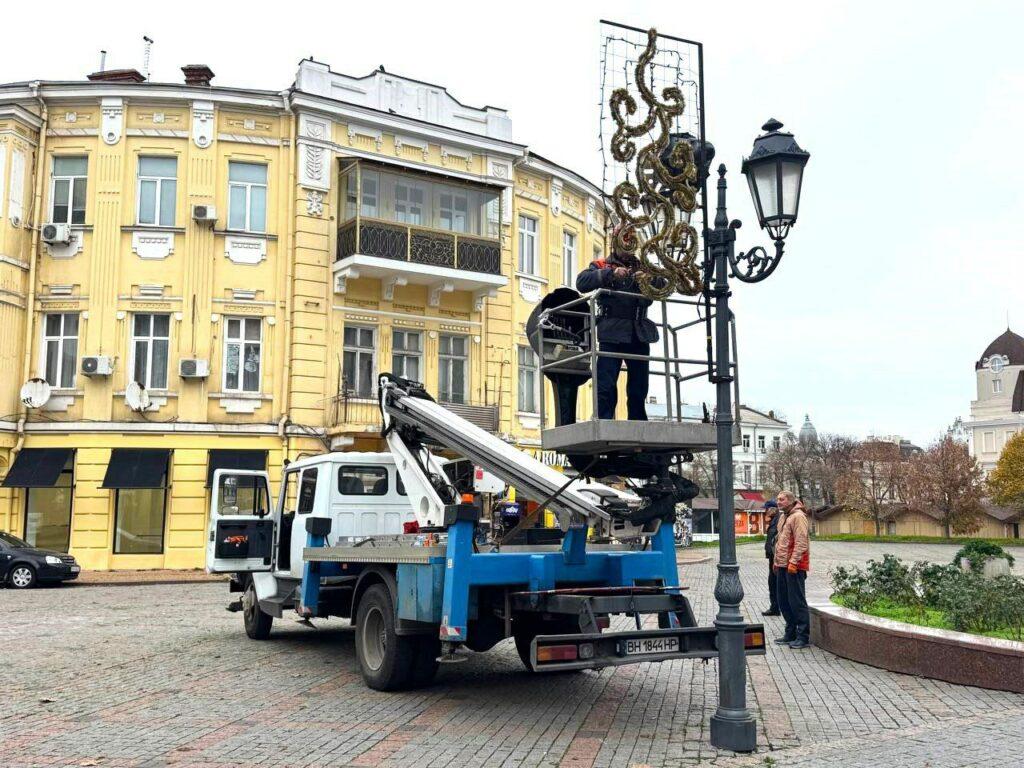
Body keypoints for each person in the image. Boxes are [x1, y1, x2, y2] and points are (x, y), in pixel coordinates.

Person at [575, 251, 658, 420]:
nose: (627, 244)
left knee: (639, 385)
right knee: (605, 382)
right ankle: (604, 418)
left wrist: (648, 278)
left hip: (638, 332)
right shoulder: (602, 264)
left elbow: (663, 284)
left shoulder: (644, 266)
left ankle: (638, 420)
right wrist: (611, 274)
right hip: (612, 330)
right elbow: (582, 282)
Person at [773, 490, 811, 649]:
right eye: (777, 499)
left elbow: (801, 541)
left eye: (781, 499)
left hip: (793, 566)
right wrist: (776, 562)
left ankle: (803, 636)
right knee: (783, 600)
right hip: (782, 565)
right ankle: (790, 632)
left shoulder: (798, 517)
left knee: (797, 601)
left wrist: (793, 562)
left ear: (790, 501)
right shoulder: (783, 516)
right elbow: (780, 541)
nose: (778, 502)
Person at [762, 500, 781, 617]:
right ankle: (774, 607)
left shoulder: (779, 520)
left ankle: (777, 608)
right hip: (772, 557)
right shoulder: (774, 520)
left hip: (777, 558)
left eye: (766, 509)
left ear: (772, 509)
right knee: (772, 583)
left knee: (776, 583)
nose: (765, 511)